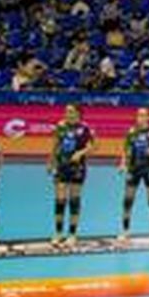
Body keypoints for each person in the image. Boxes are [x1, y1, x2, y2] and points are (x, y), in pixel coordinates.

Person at [119, 108, 149, 245]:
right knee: (128, 200)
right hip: (133, 169)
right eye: (138, 114)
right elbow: (126, 150)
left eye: (143, 115)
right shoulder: (131, 132)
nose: (140, 117)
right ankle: (125, 232)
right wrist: (122, 163)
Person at [48, 104, 93, 247]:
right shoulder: (60, 126)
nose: (67, 113)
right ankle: (58, 233)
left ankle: (72, 234)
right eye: (66, 111)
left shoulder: (84, 128)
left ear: (78, 113)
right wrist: (51, 162)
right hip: (62, 167)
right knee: (60, 200)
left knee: (74, 200)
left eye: (71, 111)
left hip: (77, 168)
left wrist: (80, 153)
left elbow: (93, 146)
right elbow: (55, 146)